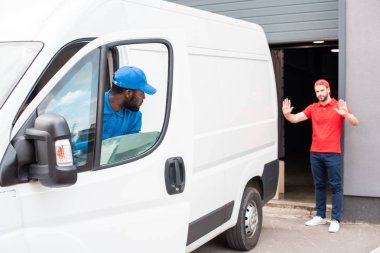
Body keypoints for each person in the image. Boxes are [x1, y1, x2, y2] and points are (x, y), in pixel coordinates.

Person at [282, 79, 359, 233]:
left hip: (332, 153)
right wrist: (287, 115)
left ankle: (335, 219)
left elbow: (355, 122)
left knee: (336, 186)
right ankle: (320, 216)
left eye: (322, 90)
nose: (319, 94)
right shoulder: (313, 107)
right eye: (317, 91)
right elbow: (296, 118)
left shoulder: (338, 106)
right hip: (315, 152)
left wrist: (346, 115)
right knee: (319, 185)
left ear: (328, 90)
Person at [103, 66, 156, 140]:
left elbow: (130, 147)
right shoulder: (93, 108)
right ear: (128, 93)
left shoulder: (135, 116)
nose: (144, 97)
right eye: (141, 93)